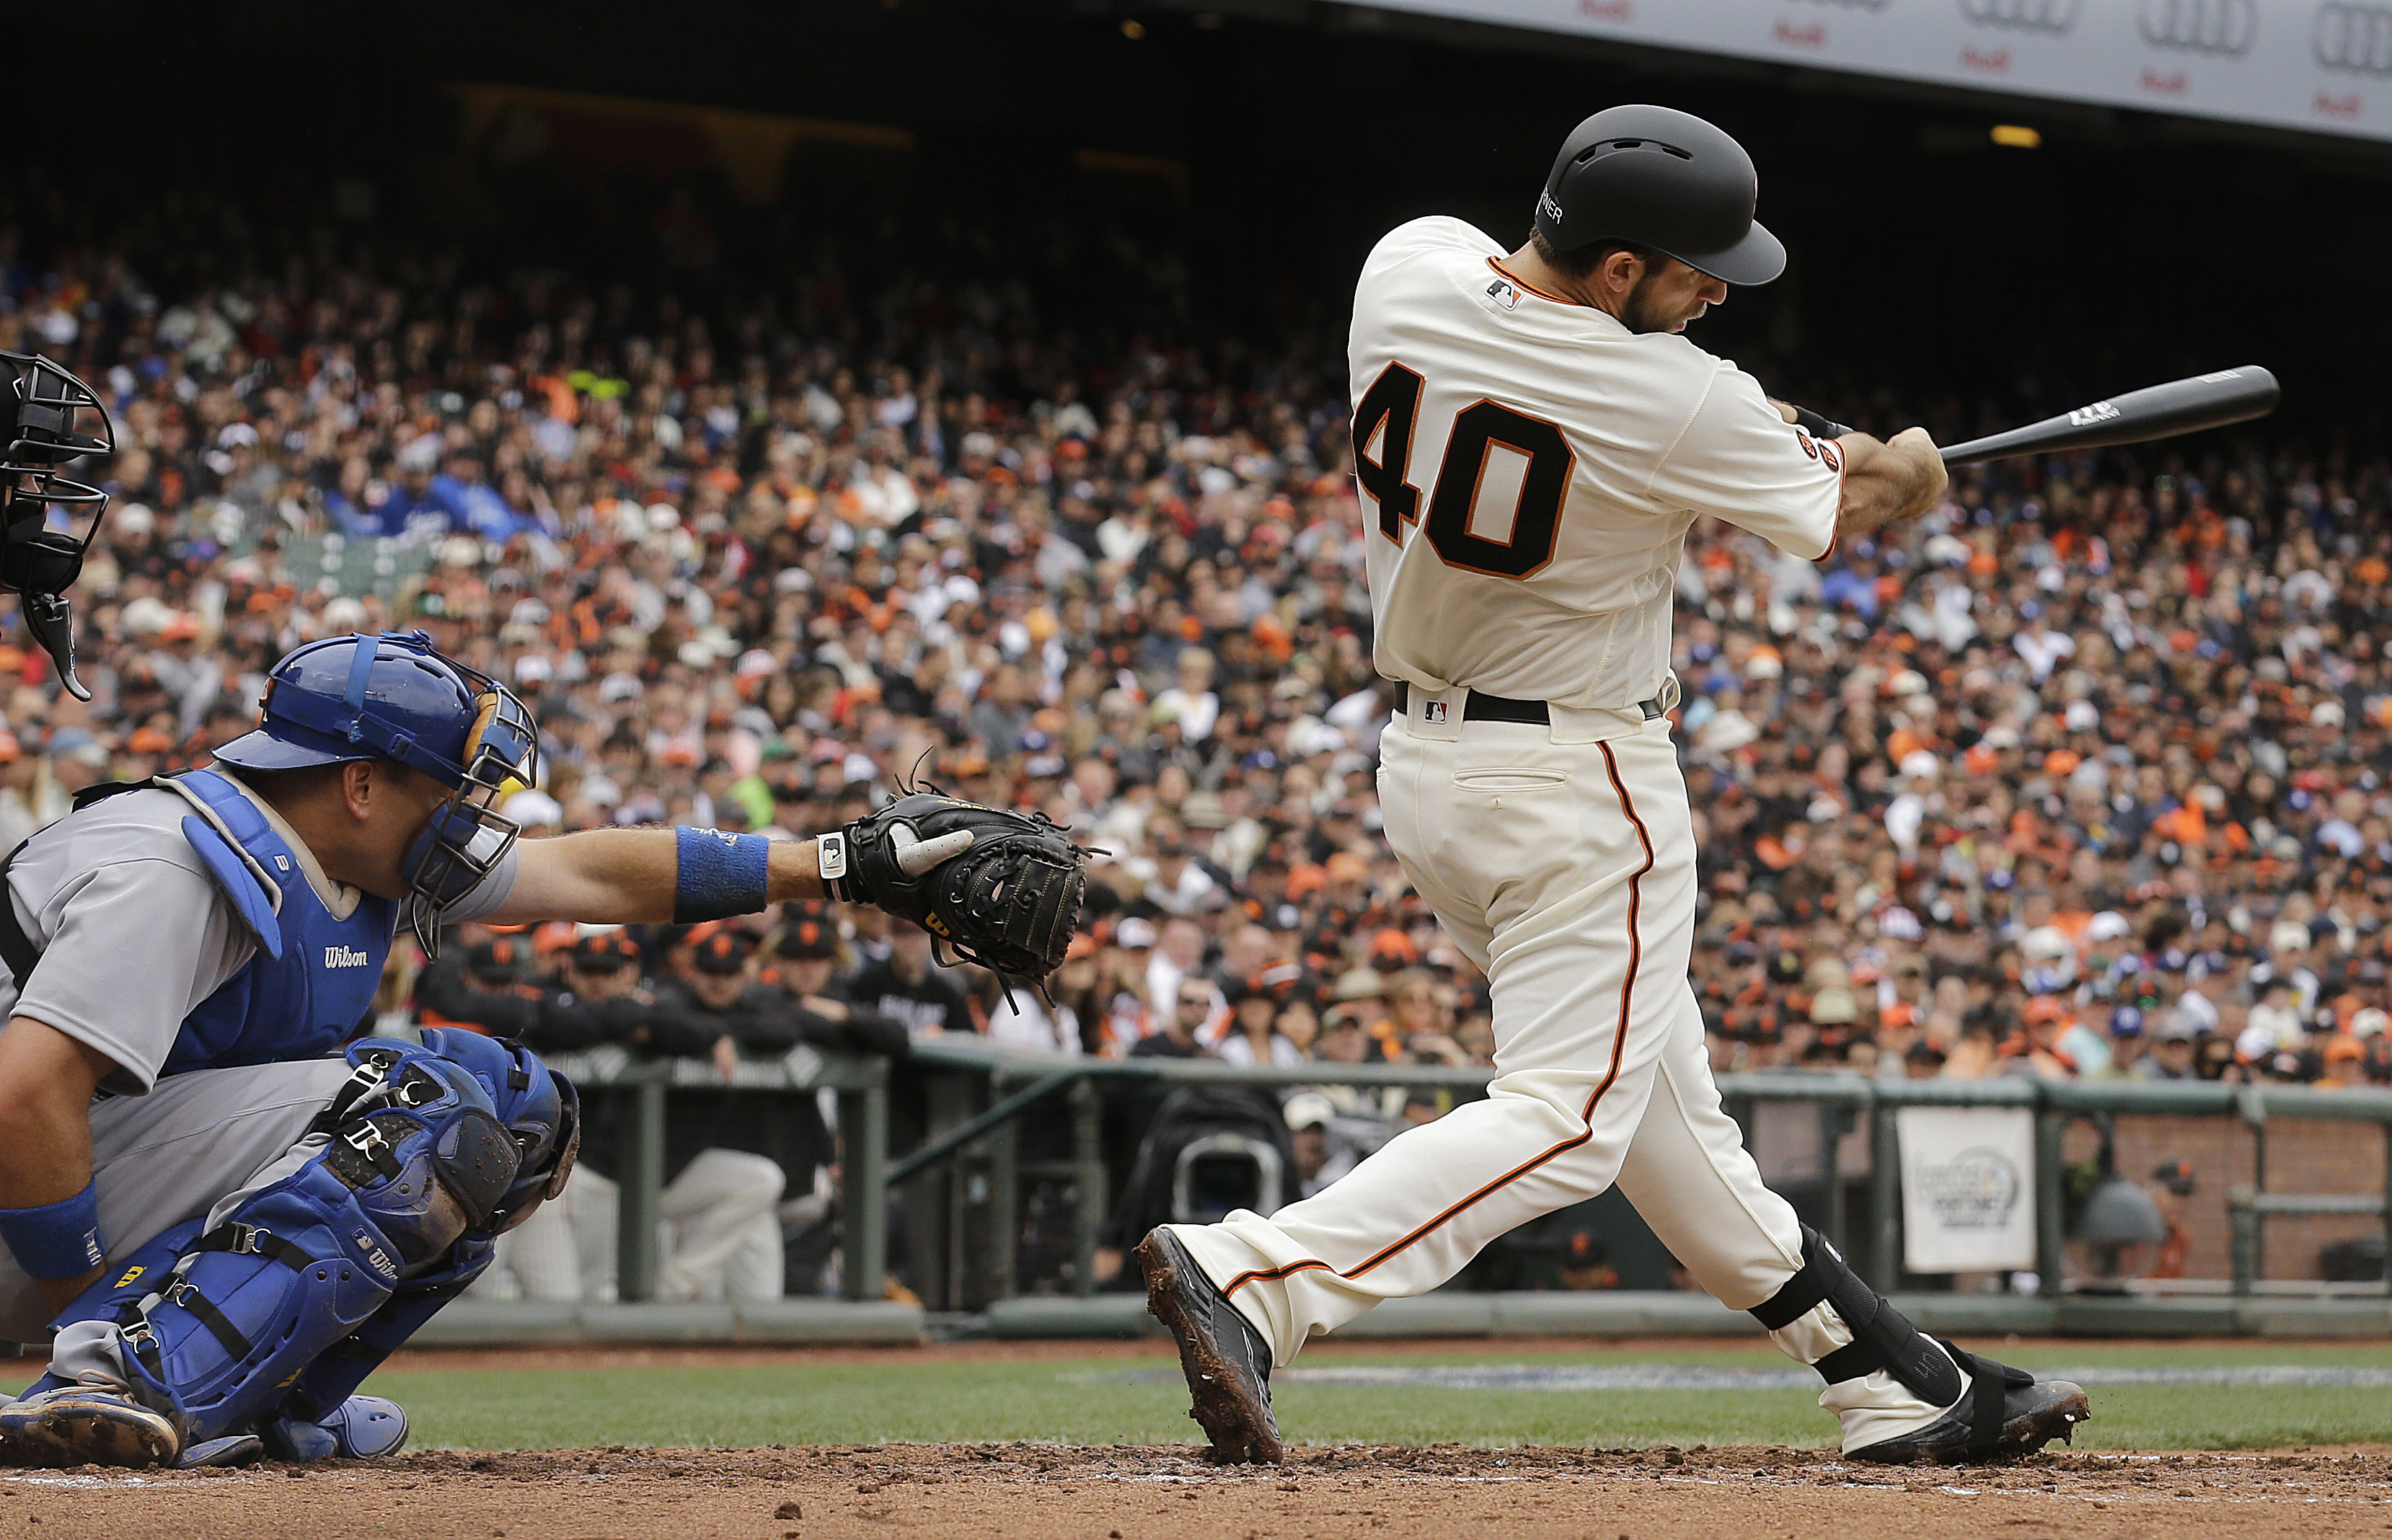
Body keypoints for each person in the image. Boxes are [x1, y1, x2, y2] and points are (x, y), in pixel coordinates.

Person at [1134, 105, 2086, 1467]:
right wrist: (1903, 475)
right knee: (1572, 1120)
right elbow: (1847, 501)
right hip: (1583, 779)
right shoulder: (1678, 395)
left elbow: (1671, 402)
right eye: (1699, 269)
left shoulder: (1406, 264)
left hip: (1429, 771)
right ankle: (1260, 1274)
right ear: (1622, 269)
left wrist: (1810, 441)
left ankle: (1890, 1377)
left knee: (1653, 1108)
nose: (1721, 292)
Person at [0, 628, 993, 1470]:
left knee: (511, 1104)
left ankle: (257, 1398)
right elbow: (25, 1097)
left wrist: (839, 863)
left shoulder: (346, 847)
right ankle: (117, 1376)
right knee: (415, 1113)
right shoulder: (175, 865)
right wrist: (80, 1297)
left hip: (83, 1168)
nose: (472, 817)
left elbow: (597, 875)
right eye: (451, 788)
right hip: (32, 1191)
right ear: (359, 782)